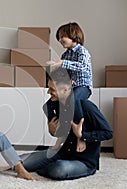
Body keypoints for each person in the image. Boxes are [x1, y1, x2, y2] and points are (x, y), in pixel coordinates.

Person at [20, 67, 113, 180]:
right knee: (20, 160)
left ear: (65, 89)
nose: (48, 92)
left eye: (52, 89)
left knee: (59, 169)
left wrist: (83, 136)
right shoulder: (56, 105)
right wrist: (52, 130)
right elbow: (49, 112)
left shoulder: (86, 106)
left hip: (83, 161)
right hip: (62, 153)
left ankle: (42, 168)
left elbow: (108, 133)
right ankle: (45, 166)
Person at [46, 22, 93, 150]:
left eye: (62, 37)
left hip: (83, 86)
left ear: (73, 35)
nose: (60, 40)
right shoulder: (65, 55)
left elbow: (82, 67)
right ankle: (57, 128)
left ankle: (80, 137)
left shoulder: (82, 51)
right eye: (59, 37)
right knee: (48, 104)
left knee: (73, 99)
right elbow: (64, 73)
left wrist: (62, 63)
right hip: (69, 87)